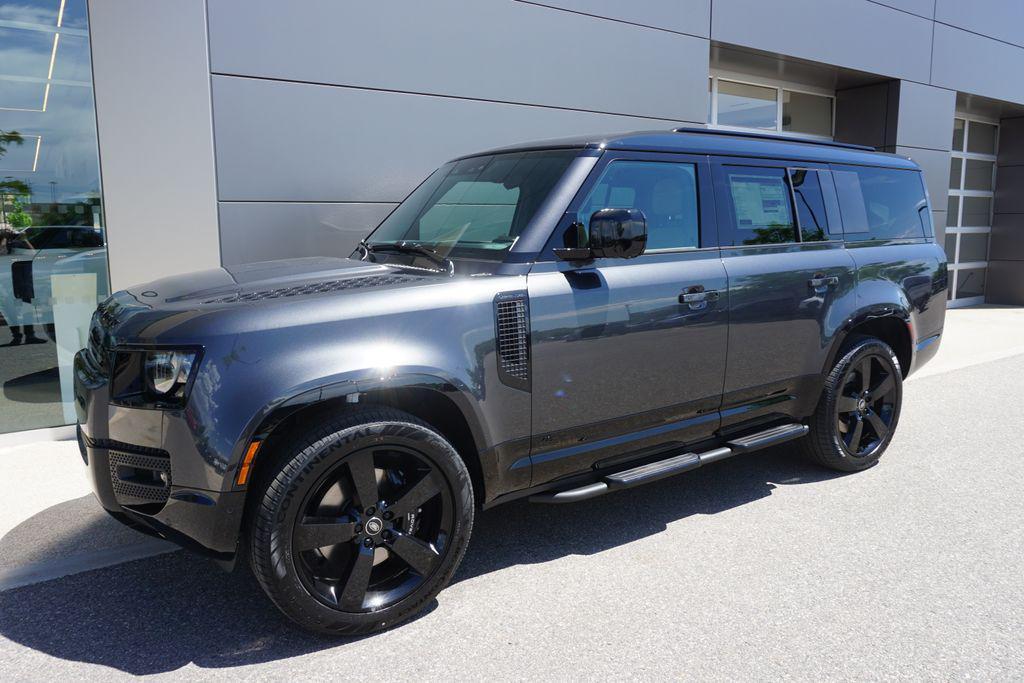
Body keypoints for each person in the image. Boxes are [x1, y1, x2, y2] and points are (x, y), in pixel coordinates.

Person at [0, 227, 44, 345]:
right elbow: (3, 254)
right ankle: (17, 336)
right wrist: (3, 239)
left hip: (24, 281)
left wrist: (24, 239)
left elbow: (33, 253)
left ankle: (30, 335)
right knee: (10, 310)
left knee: (27, 308)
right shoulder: (4, 245)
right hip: (7, 282)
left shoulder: (19, 243)